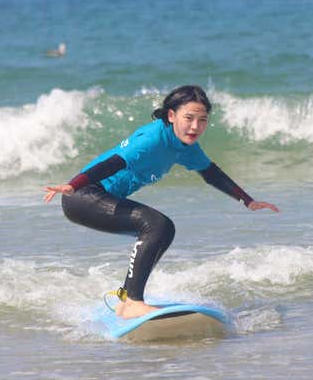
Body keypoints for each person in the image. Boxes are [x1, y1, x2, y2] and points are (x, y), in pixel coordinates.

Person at [44, 85, 279, 319]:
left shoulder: (186, 147)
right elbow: (115, 162)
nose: (196, 126)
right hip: (83, 195)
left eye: (202, 120)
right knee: (156, 225)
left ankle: (126, 300)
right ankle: (133, 302)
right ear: (171, 115)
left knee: (163, 230)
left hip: (95, 195)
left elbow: (211, 173)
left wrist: (248, 201)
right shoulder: (153, 139)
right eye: (189, 118)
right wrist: (74, 185)